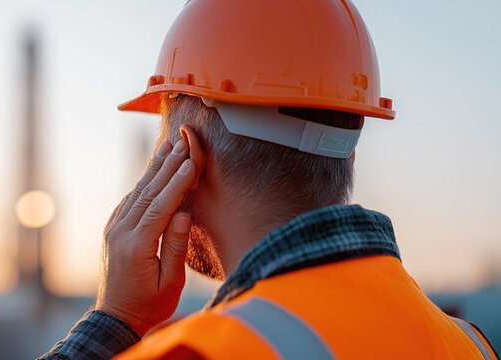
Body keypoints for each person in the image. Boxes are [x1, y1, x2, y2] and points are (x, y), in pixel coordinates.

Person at [40, 0, 499, 359]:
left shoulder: (195, 354)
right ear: (349, 147)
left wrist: (114, 321)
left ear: (186, 150)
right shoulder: (468, 343)